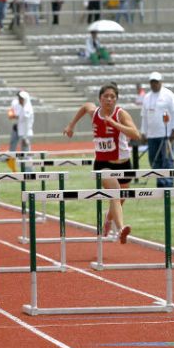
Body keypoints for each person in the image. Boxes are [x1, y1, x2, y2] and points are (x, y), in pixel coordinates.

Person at [63, 83, 141, 243]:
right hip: (103, 164)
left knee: (120, 199)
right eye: (106, 96)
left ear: (116, 100)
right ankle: (120, 229)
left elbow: (136, 134)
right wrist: (71, 125)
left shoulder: (121, 114)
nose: (109, 99)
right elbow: (85, 106)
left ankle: (108, 219)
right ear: (100, 99)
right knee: (115, 191)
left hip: (124, 163)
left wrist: (114, 124)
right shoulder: (95, 113)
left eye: (113, 97)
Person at [140, 72, 174, 188]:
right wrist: (143, 132)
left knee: (166, 159)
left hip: (166, 134)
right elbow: (144, 116)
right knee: (153, 159)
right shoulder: (147, 97)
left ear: (161, 82)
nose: (154, 84)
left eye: (156, 82)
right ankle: (160, 182)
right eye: (152, 82)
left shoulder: (168, 95)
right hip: (152, 135)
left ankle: (168, 183)